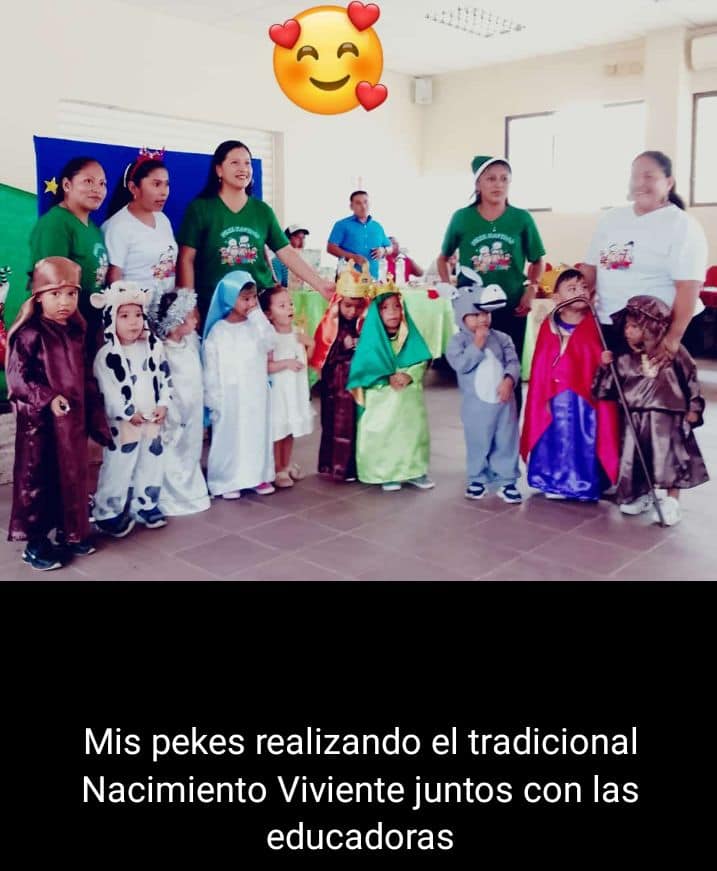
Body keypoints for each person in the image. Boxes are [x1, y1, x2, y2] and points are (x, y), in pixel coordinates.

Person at [5, 257, 111, 569]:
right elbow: (18, 378)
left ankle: (71, 532)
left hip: (72, 423)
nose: (64, 302)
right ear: (38, 297)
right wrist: (48, 398)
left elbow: (86, 375)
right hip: (40, 427)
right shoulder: (30, 334)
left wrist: (95, 415)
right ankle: (35, 543)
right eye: (55, 294)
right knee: (39, 480)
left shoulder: (77, 330)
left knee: (73, 476)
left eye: (71, 294)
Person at [177, 140, 333, 320]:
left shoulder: (262, 211)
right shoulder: (200, 209)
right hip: (215, 306)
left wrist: (320, 284)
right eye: (235, 163)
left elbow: (287, 252)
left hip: (259, 306)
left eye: (247, 163)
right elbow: (186, 259)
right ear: (219, 170)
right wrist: (188, 306)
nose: (243, 168)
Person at [438, 155, 546, 412]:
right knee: (476, 367)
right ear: (478, 184)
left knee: (509, 367)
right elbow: (442, 258)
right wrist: (451, 292)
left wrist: (531, 288)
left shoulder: (521, 219)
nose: (498, 184)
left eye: (504, 179)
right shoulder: (462, 218)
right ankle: (480, 424)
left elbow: (538, 260)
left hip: (512, 307)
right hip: (473, 312)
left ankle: (510, 425)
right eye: (491, 179)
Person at [581, 150, 708, 361]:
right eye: (634, 176)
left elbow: (688, 287)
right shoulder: (611, 219)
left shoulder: (682, 225)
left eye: (649, 176)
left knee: (655, 384)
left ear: (669, 182)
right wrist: (573, 302)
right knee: (611, 382)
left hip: (659, 331)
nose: (640, 183)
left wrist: (672, 338)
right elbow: (590, 268)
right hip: (610, 325)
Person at [593, 295, 708, 526]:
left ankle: (672, 501)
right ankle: (642, 494)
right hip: (634, 417)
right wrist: (605, 367)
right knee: (636, 458)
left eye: (635, 327)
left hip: (667, 416)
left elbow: (691, 378)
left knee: (669, 458)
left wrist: (694, 407)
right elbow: (605, 390)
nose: (628, 331)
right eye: (627, 326)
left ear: (651, 326)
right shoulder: (623, 356)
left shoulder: (672, 351)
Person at [520, 269, 620, 501]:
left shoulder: (595, 325)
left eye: (584, 287)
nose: (580, 292)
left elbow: (596, 357)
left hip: (585, 398)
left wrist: (604, 360)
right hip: (554, 396)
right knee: (555, 436)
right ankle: (552, 480)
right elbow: (542, 363)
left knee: (585, 437)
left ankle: (587, 482)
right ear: (557, 297)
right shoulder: (549, 325)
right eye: (572, 289)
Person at [91, 281, 172, 537]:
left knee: (151, 461)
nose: (133, 322)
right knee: (119, 465)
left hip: (152, 420)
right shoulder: (107, 356)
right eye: (124, 316)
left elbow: (164, 377)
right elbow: (108, 391)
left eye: (138, 314)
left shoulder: (153, 348)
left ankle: (145, 504)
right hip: (124, 424)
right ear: (111, 319)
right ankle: (108, 512)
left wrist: (163, 403)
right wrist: (127, 412)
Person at [346, 284, 435, 492]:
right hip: (381, 398)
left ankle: (414, 471)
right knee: (383, 434)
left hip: (408, 400)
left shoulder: (410, 335)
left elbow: (420, 359)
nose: (393, 312)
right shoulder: (371, 340)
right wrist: (386, 377)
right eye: (386, 308)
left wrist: (409, 375)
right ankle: (386, 473)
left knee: (412, 434)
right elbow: (363, 370)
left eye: (397, 306)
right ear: (376, 313)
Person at [446, 281, 522, 504]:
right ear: (461, 316)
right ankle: (477, 478)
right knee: (478, 440)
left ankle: (507, 480)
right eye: (475, 314)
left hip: (504, 404)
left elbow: (513, 362)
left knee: (506, 439)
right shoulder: (457, 342)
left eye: (486, 314)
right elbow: (460, 365)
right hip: (476, 407)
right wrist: (477, 345)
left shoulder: (502, 338)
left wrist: (509, 380)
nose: (482, 319)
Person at [202, 271, 276, 499]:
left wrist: (259, 319)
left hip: (255, 392)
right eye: (245, 299)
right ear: (229, 298)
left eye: (253, 298)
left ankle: (258, 475)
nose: (251, 303)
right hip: (229, 395)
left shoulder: (257, 326)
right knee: (230, 436)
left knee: (256, 433)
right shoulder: (218, 331)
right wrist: (213, 398)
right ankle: (227, 480)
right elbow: (211, 367)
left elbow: (270, 343)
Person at [146, 286, 210, 516]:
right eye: (190, 317)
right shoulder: (163, 351)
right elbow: (164, 383)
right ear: (175, 323)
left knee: (191, 449)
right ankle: (171, 495)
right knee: (173, 450)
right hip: (175, 411)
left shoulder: (190, 343)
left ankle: (193, 490)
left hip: (193, 409)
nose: (195, 320)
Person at [28, 156, 110, 334]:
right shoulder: (55, 223)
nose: (97, 189)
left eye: (102, 183)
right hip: (62, 330)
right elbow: (51, 288)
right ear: (67, 185)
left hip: (89, 325)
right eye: (88, 181)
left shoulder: (94, 229)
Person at [310, 266, 369, 482]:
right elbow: (323, 352)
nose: (352, 312)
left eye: (357, 306)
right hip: (336, 382)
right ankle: (333, 466)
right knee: (334, 423)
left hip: (357, 382)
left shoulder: (364, 325)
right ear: (338, 303)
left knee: (355, 424)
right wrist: (341, 346)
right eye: (347, 306)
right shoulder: (331, 324)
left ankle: (353, 466)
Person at [260, 286, 315, 488]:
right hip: (279, 392)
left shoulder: (297, 333)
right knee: (279, 429)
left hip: (295, 390)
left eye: (290, 304)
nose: (289, 308)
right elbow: (265, 366)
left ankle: (286, 463)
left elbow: (307, 357)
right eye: (282, 306)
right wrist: (286, 364)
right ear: (269, 314)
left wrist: (310, 346)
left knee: (290, 428)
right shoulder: (270, 337)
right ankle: (277, 468)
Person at [102, 149, 177, 292]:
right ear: (133, 188)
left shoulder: (163, 219)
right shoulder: (117, 227)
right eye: (156, 184)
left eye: (166, 184)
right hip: (135, 304)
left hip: (166, 304)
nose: (164, 192)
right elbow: (114, 281)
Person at [327, 191, 391, 280]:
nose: (363, 206)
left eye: (365, 202)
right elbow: (331, 248)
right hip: (348, 280)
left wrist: (383, 250)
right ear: (351, 206)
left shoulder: (377, 226)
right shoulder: (341, 225)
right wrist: (352, 257)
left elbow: (390, 247)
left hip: (374, 280)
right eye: (358, 203)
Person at [273, 224, 310, 290]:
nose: (302, 241)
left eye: (303, 237)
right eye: (298, 237)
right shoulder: (278, 261)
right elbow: (277, 287)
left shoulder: (304, 260)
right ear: (287, 239)